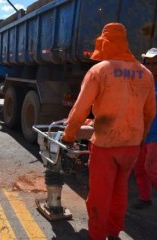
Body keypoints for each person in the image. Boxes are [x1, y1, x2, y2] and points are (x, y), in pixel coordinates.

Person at [60, 23, 156, 240]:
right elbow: (150, 112)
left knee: (99, 196)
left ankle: (97, 236)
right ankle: (113, 232)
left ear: (105, 43)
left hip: (105, 145)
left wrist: (68, 135)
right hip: (131, 146)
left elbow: (79, 110)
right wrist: (141, 138)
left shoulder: (100, 70)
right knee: (120, 192)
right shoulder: (146, 73)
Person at [132, 48, 157, 209]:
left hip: (156, 134)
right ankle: (145, 198)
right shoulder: (142, 81)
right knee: (139, 167)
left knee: (151, 167)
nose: (152, 66)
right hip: (142, 133)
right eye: (148, 63)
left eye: (155, 63)